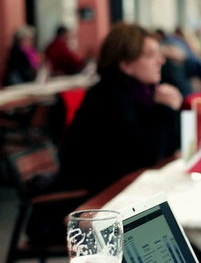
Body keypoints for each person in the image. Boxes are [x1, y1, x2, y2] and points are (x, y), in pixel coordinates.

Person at [58, 23, 182, 196]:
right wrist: (165, 109)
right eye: (150, 55)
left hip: (124, 186)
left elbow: (172, 147)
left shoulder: (140, 93)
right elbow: (149, 155)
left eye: (159, 54)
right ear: (125, 65)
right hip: (95, 197)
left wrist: (168, 109)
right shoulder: (108, 99)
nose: (161, 61)